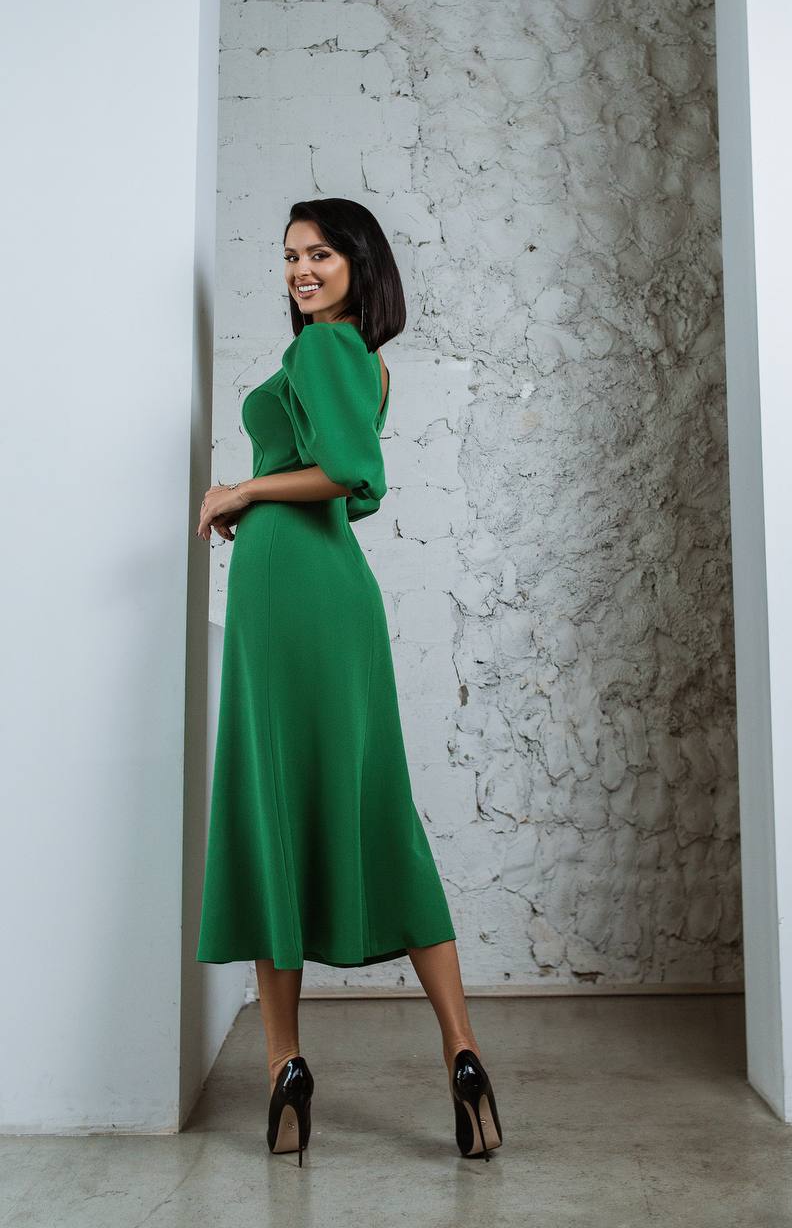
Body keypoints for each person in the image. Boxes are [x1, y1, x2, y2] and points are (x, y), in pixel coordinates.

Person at [194, 198, 503, 1164]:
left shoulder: (325, 348)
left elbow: (346, 472)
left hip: (288, 594)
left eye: (320, 253)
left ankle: (285, 1065)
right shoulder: (364, 362)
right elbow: (349, 487)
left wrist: (244, 489)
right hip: (331, 589)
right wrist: (268, 493)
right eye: (290, 255)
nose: (300, 269)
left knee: (273, 809)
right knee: (375, 808)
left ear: (359, 265)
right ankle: (462, 1052)